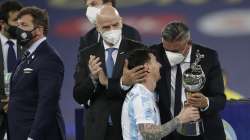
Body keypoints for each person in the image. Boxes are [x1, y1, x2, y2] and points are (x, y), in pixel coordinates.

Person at [73, 5, 146, 140]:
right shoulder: (87, 54)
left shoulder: (138, 51)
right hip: (97, 131)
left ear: (121, 21)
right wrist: (93, 78)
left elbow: (144, 92)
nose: (112, 30)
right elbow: (78, 96)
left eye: (115, 24)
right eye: (106, 27)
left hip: (129, 128)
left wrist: (119, 83)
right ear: (97, 28)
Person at [150, 21, 226, 140]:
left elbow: (220, 99)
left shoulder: (208, 57)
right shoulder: (153, 54)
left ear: (189, 43)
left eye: (175, 51)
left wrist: (206, 102)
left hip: (205, 133)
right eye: (166, 50)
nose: (169, 54)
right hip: (169, 133)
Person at [7, 7, 65, 140]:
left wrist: (33, 136)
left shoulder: (49, 59)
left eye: (24, 25)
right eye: (18, 25)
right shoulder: (25, 56)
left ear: (38, 30)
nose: (19, 30)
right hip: (19, 132)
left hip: (37, 135)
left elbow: (47, 103)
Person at [121, 48, 200, 140]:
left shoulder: (147, 94)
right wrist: (180, 119)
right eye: (155, 61)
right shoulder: (141, 97)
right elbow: (148, 134)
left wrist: (183, 114)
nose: (160, 65)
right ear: (147, 67)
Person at [0, 1, 23, 139]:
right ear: (2, 23)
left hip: (24, 120)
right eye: (16, 20)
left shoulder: (31, 47)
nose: (20, 25)